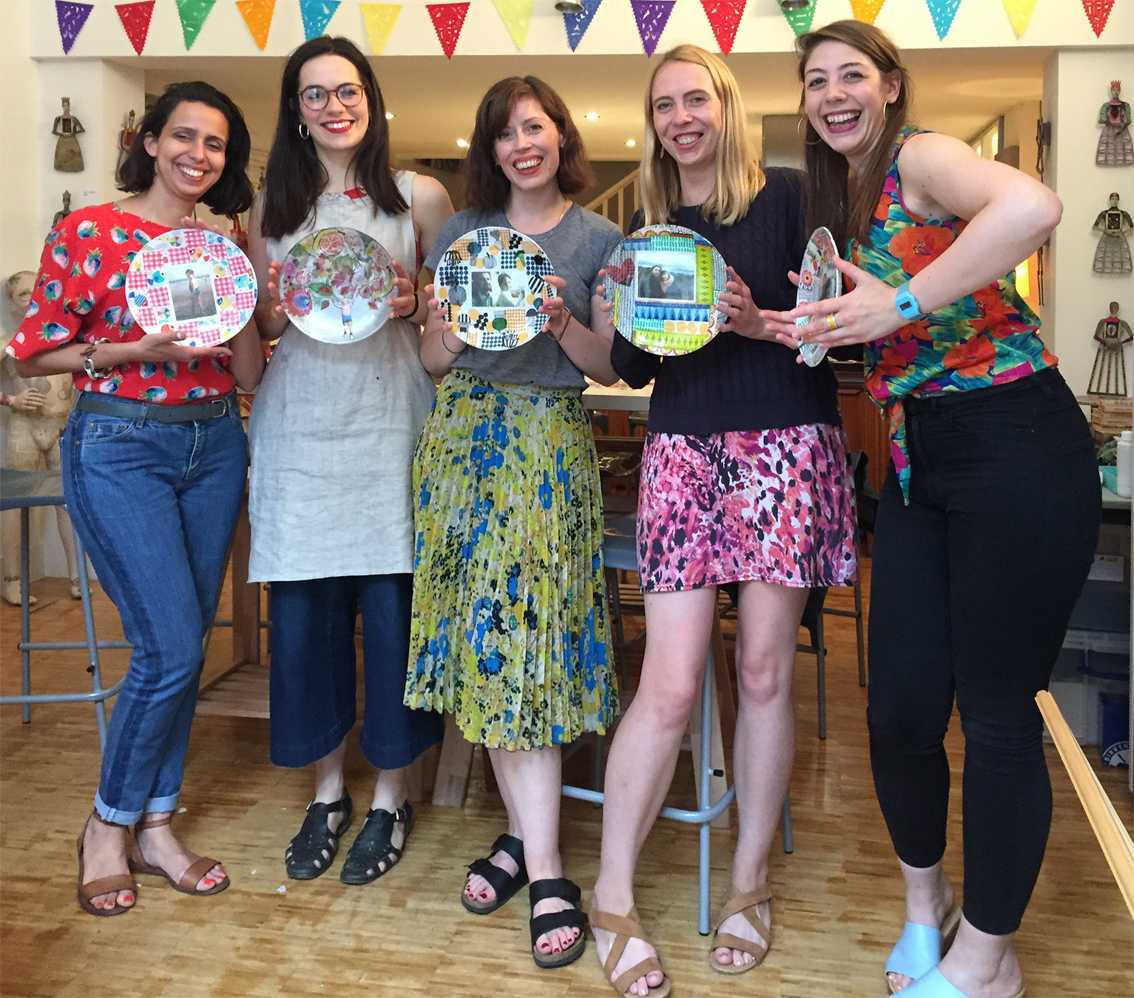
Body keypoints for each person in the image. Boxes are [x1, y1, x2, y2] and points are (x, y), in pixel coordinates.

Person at [761, 20, 1100, 998]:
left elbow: (1035, 204)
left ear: (893, 86)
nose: (833, 93)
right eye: (815, 79)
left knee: (996, 716)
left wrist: (900, 304)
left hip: (1015, 441)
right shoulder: (845, 197)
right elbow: (876, 325)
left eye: (852, 75)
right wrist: (820, 322)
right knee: (902, 708)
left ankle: (990, 958)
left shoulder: (921, 155)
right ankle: (929, 909)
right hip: (919, 458)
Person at [590, 45, 857, 998]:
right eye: (664, 105)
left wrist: (762, 320)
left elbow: (837, 325)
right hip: (681, 455)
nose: (680, 117)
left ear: (726, 106)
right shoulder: (647, 228)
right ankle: (611, 895)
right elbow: (627, 361)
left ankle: (748, 882)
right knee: (667, 684)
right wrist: (591, 304)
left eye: (695, 97)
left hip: (787, 446)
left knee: (761, 671)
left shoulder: (789, 199)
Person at [7, 81, 264, 916]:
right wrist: (129, 349)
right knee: (173, 649)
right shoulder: (91, 231)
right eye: (183, 136)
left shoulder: (222, 242)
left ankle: (157, 824)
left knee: (181, 646)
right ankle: (108, 827)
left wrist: (259, 308)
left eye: (215, 144)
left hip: (215, 441)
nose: (198, 154)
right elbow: (33, 356)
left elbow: (241, 359)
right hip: (121, 445)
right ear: (149, 141)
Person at [405, 75, 622, 970]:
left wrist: (566, 319)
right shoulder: (461, 233)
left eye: (533, 127)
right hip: (464, 441)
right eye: (503, 134)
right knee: (484, 643)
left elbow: (608, 368)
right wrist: (448, 334)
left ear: (559, 135)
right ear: (489, 150)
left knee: (528, 647)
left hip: (546, 445)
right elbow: (429, 356)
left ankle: (540, 865)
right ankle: (534, 852)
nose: (520, 144)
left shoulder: (600, 237)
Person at [247, 35, 453, 888]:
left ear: (372, 98)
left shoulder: (418, 197)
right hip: (298, 433)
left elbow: (444, 336)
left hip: (389, 427)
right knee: (303, 622)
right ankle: (328, 792)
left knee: (393, 615)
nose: (334, 106)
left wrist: (415, 307)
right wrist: (257, 309)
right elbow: (259, 337)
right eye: (314, 94)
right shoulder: (271, 207)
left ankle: (390, 797)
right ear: (295, 111)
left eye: (347, 90)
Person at [1, 270, 81, 606]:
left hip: (62, 425)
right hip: (24, 426)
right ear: (11, 301)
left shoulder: (63, 335)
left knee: (69, 502)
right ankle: (11, 579)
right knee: (14, 506)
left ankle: (76, 574)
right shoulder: (8, 339)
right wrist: (11, 400)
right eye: (23, 295)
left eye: (37, 291)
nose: (31, 298)